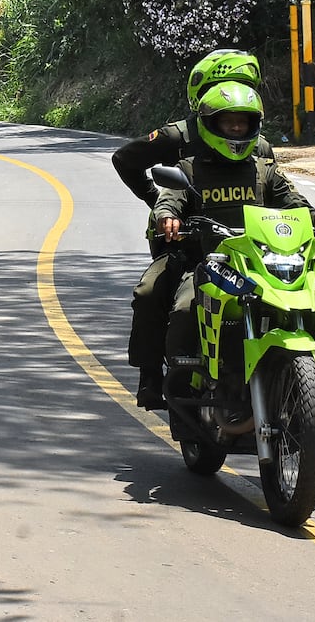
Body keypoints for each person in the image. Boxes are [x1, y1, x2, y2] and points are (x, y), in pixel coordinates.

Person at [153, 82, 315, 386]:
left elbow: (299, 207)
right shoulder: (190, 169)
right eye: (228, 121)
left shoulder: (266, 171)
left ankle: (302, 378)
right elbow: (170, 199)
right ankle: (183, 384)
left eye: (243, 121)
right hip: (213, 266)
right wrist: (167, 217)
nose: (236, 128)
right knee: (185, 308)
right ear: (211, 125)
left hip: (263, 265)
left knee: (314, 297)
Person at [112, 50, 273, 408]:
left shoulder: (260, 149)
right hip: (186, 241)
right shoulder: (178, 138)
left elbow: (280, 195)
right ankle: (153, 377)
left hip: (247, 250)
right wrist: (160, 205)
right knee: (152, 293)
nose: (235, 122)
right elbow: (124, 159)